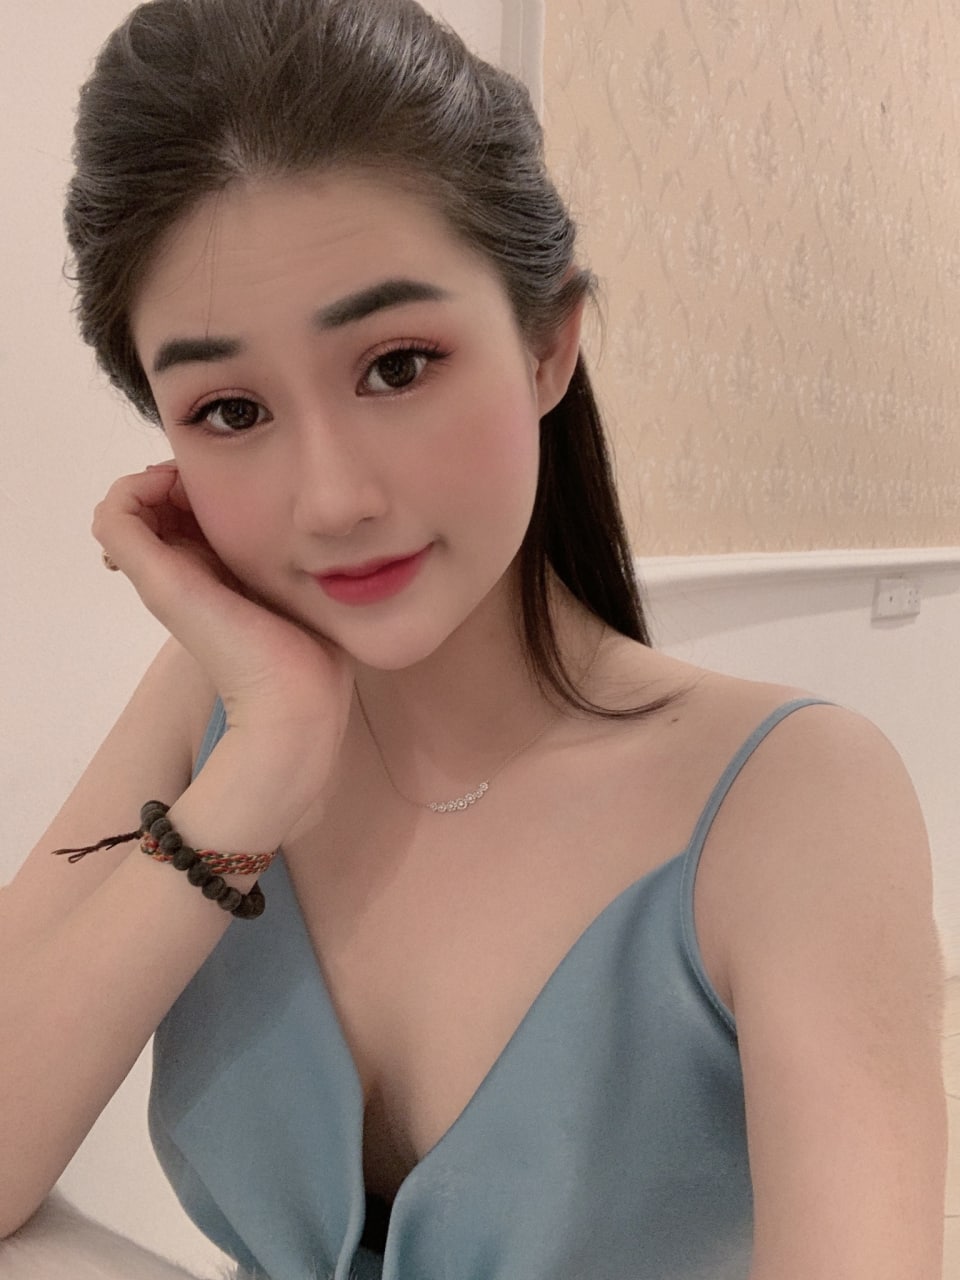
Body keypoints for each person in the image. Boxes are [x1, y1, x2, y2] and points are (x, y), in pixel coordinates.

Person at [0, 0, 948, 1277]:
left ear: (547, 344)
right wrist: (264, 764)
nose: (332, 498)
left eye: (397, 365)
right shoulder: (212, 708)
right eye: (229, 409)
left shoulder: (793, 797)